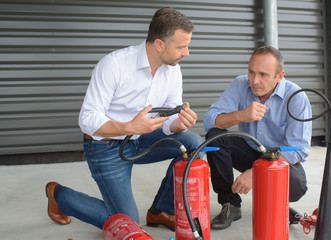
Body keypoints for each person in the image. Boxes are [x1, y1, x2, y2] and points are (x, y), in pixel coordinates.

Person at [45, 7, 203, 232]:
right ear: (159, 44)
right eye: (182, 46)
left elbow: (168, 120)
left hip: (142, 137)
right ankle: (59, 196)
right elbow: (87, 118)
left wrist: (178, 123)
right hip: (105, 146)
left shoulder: (172, 70)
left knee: (192, 144)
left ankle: (161, 210)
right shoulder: (114, 64)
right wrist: (129, 126)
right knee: (128, 224)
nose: (186, 52)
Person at [203, 46, 312, 229]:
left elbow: (299, 149)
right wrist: (241, 115)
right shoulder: (240, 84)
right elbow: (209, 121)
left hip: (278, 158)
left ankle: (279, 203)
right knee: (215, 138)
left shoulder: (296, 97)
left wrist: (257, 173)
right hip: (248, 150)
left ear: (279, 76)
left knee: (297, 185)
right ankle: (230, 204)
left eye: (263, 74)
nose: (254, 80)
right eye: (251, 72)